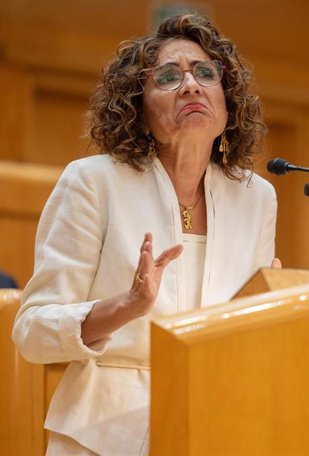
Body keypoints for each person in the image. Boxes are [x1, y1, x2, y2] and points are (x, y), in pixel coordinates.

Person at [12, 14, 278, 455]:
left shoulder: (256, 197)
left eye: (205, 73)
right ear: (137, 108)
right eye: (169, 77)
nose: (191, 85)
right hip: (102, 435)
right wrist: (126, 306)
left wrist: (272, 309)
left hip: (216, 425)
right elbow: (32, 332)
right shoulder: (93, 182)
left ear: (227, 100)